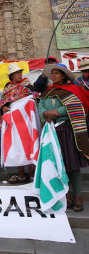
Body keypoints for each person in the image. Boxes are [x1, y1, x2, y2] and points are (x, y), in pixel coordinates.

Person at [38, 63, 89, 212]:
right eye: (52, 73)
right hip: (51, 131)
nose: (53, 75)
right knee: (58, 164)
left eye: (56, 73)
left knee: (72, 164)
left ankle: (78, 196)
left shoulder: (73, 91)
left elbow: (75, 105)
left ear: (64, 76)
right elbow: (41, 107)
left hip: (68, 129)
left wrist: (58, 112)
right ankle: (65, 195)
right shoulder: (47, 92)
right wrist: (46, 113)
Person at [0, 63, 38, 183]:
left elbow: (35, 96)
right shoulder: (7, 88)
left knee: (29, 144)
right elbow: (3, 102)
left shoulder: (28, 85)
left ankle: (32, 174)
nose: (19, 75)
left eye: (20, 72)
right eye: (16, 73)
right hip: (15, 122)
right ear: (11, 76)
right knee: (18, 145)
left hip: (27, 121)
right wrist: (4, 107)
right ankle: (21, 174)